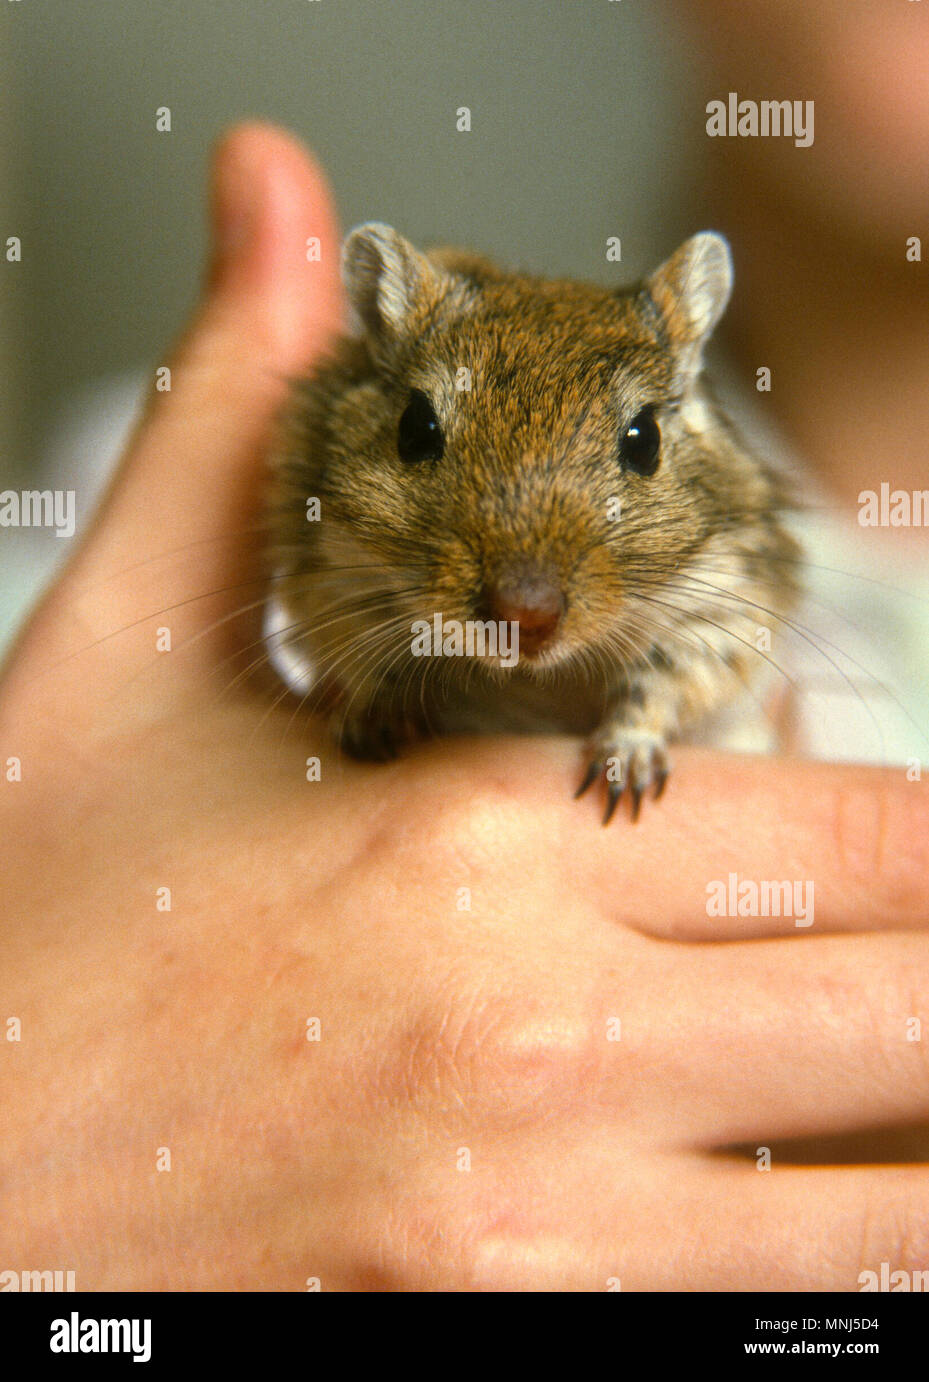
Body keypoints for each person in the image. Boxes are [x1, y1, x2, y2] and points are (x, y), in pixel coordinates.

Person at [1, 119, 926, 1291]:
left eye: (631, 449)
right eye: (426, 436)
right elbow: (324, 595)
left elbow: (727, 630)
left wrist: (641, 721)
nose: (525, 595)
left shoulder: (726, 529)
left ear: (669, 420)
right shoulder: (105, 518)